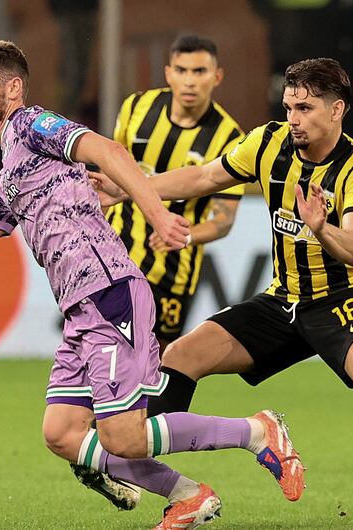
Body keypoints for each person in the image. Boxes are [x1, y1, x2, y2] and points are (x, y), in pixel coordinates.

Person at [0, 40, 305, 530]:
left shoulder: (34, 126)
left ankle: (255, 432)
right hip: (82, 311)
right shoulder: (10, 174)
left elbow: (108, 150)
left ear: (12, 88)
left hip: (109, 291)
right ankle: (188, 496)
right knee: (62, 433)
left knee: (124, 436)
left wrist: (157, 214)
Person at [93, 58, 353, 529]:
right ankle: (155, 479)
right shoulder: (269, 143)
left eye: (304, 108)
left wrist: (321, 228)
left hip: (343, 300)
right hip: (283, 300)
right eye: (288, 107)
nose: (293, 119)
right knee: (180, 356)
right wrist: (129, 190)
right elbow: (204, 179)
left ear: (337, 109)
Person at [108, 34, 245, 354]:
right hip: (116, 252)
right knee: (102, 350)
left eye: (199, 72)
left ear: (217, 76)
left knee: (157, 361)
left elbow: (223, 221)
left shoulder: (229, 139)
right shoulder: (137, 108)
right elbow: (112, 176)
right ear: (169, 73)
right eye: (182, 71)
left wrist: (184, 237)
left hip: (172, 270)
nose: (190, 81)